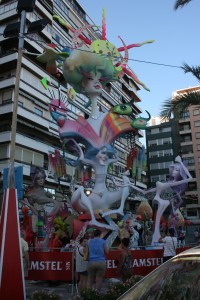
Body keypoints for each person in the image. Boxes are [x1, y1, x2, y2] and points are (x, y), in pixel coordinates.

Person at [145, 156, 192, 245]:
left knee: (158, 221)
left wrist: (181, 162)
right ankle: (155, 239)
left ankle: (156, 240)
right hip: (160, 201)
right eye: (174, 169)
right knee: (157, 221)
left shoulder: (172, 183)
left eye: (177, 170)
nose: (174, 171)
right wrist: (143, 191)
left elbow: (189, 178)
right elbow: (151, 190)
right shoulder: (167, 183)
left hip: (162, 202)